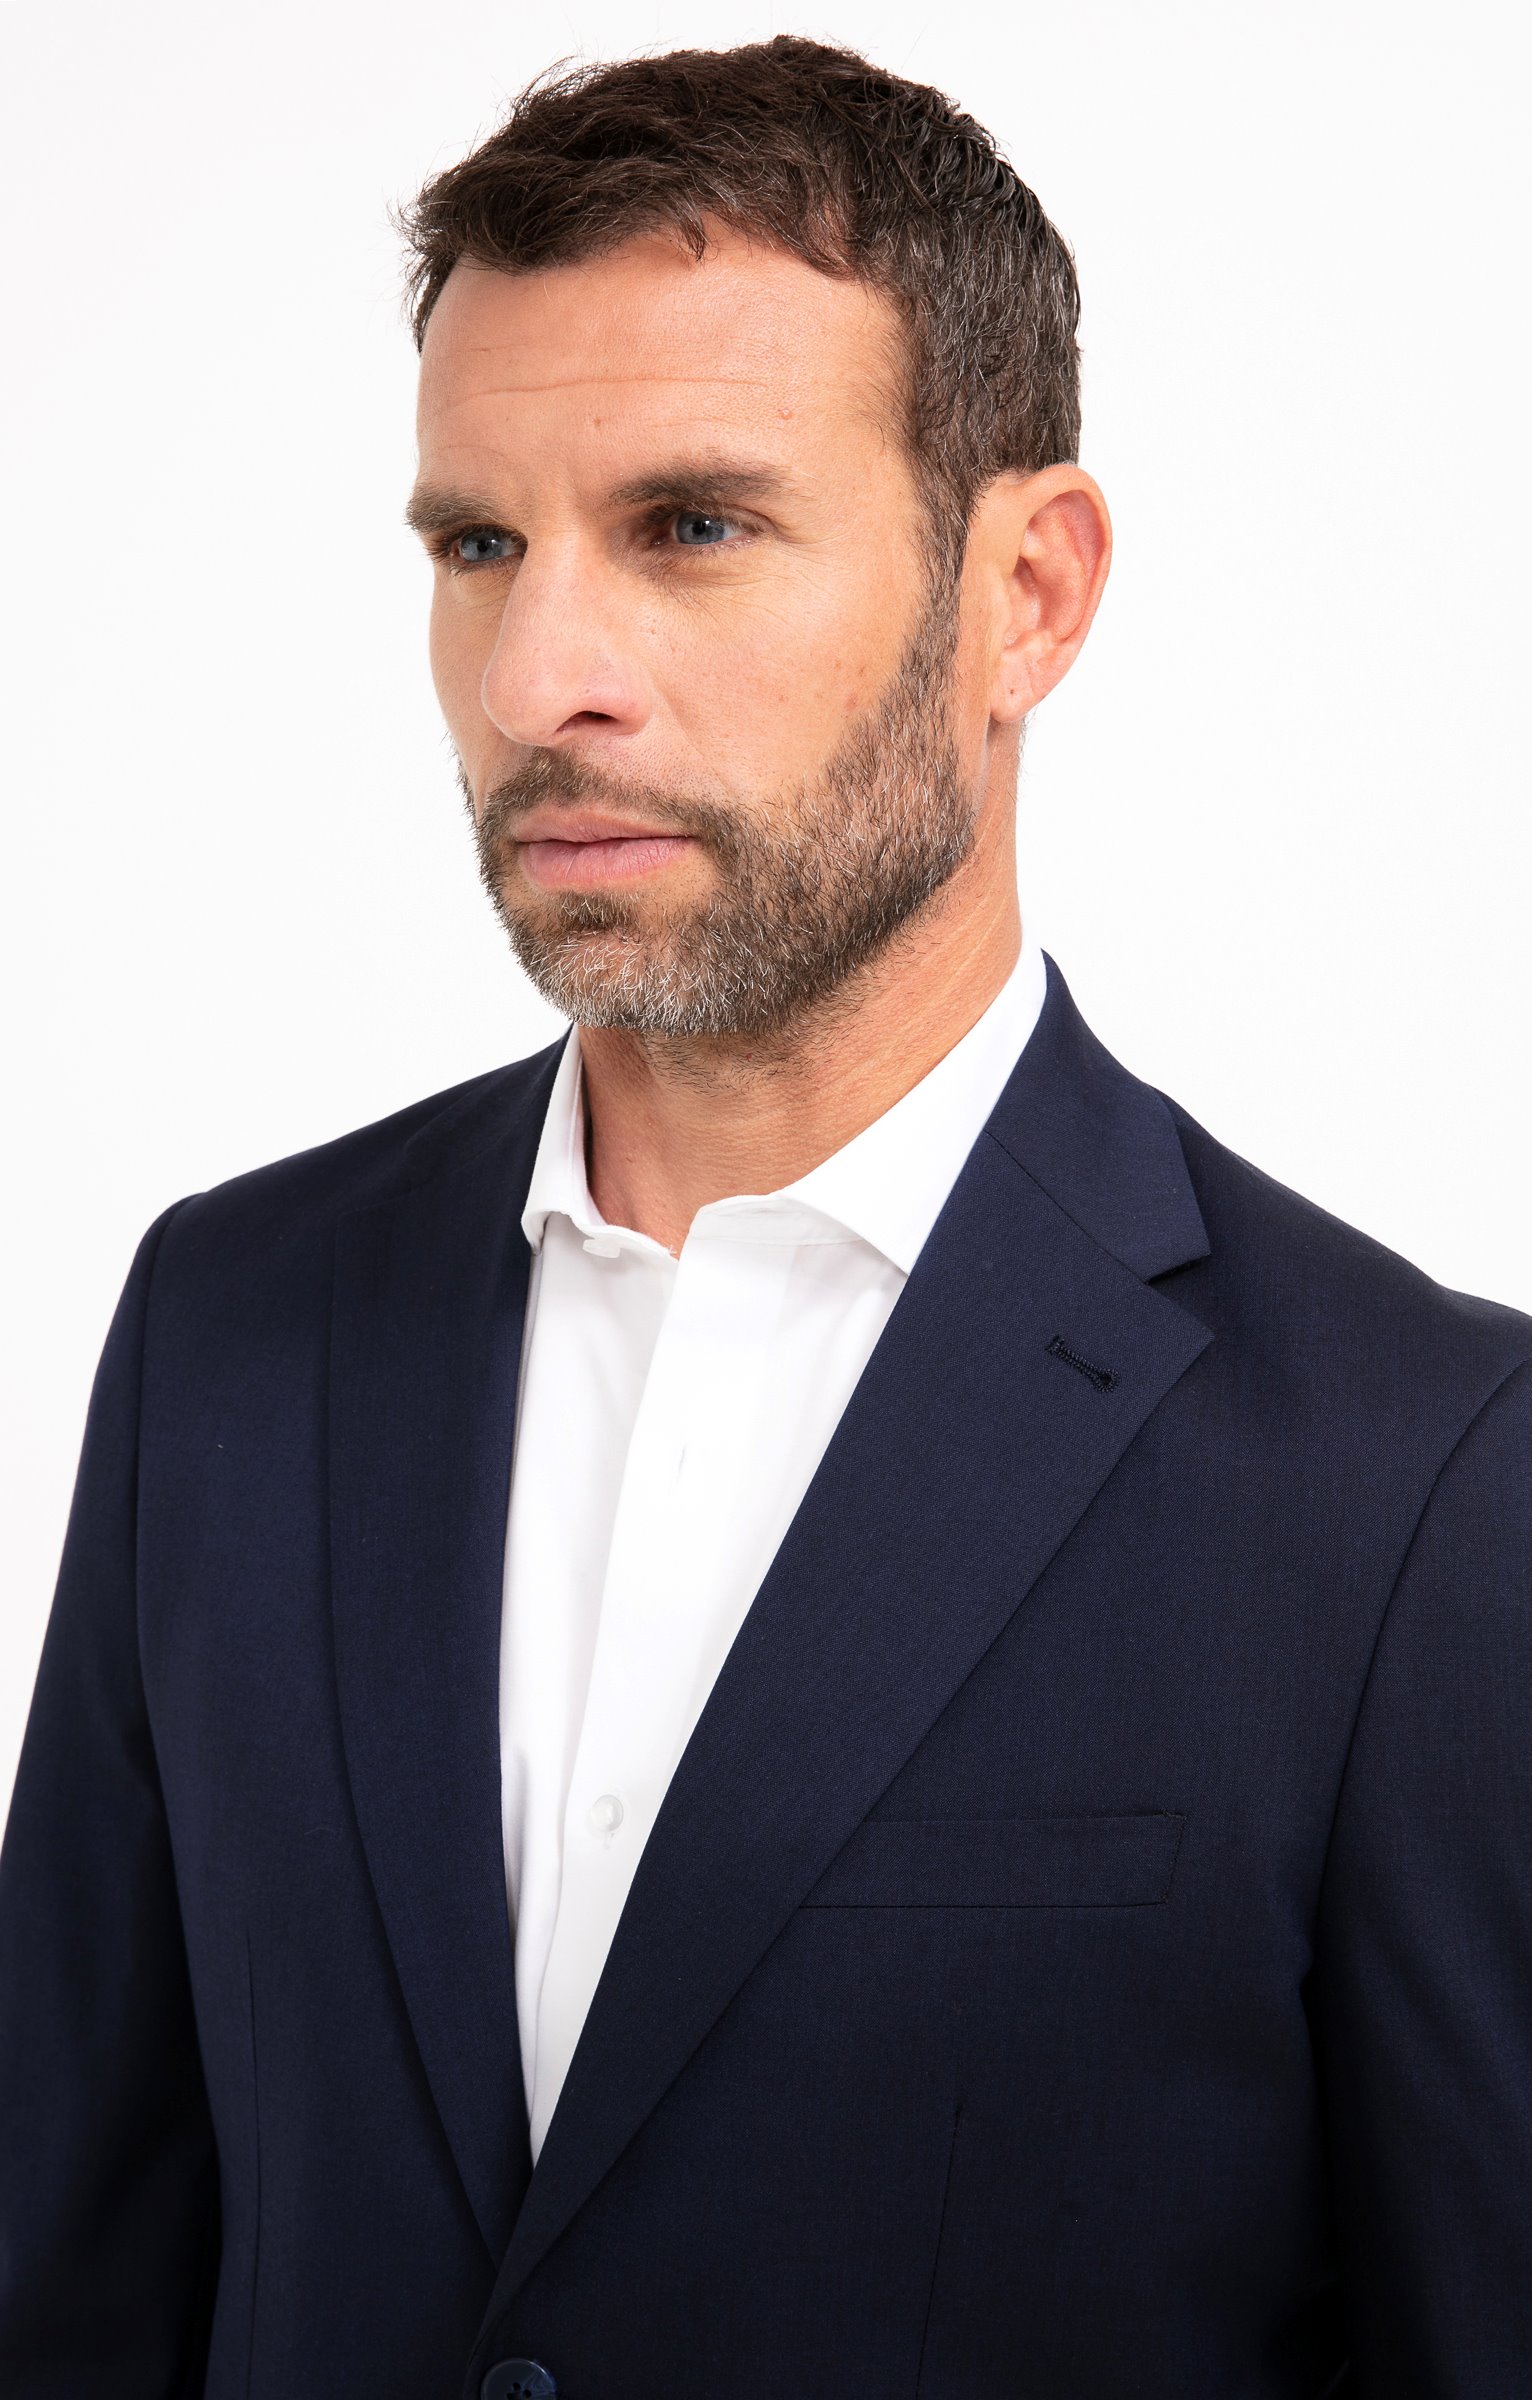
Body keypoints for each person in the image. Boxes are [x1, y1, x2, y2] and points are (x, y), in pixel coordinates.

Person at [1, 32, 1528, 2400]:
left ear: (1026, 594)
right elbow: (73, 2283)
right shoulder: (232, 1323)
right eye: (478, 545)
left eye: (692, 526)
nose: (538, 677)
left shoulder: (1416, 1477)